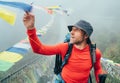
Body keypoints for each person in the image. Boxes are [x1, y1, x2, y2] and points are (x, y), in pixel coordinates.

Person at [23, 12, 103, 83]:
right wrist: (30, 29)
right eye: (72, 30)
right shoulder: (65, 47)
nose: (71, 32)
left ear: (85, 36)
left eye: (76, 30)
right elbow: (39, 49)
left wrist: (100, 79)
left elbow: (98, 68)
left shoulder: (95, 53)